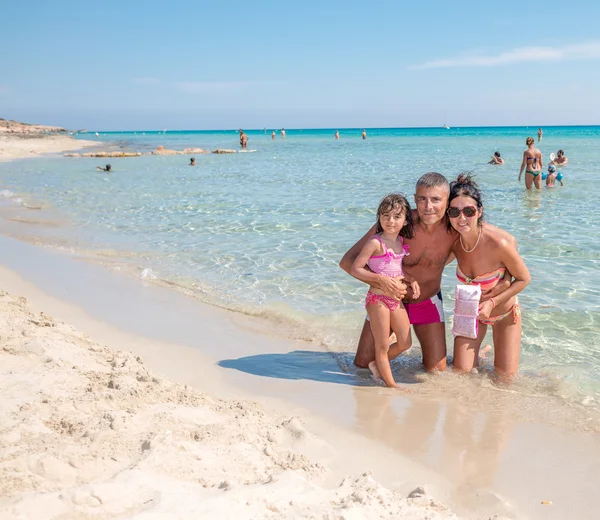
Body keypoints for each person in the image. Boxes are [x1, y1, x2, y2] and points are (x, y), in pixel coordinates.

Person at [340, 172, 514, 373]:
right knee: (361, 367)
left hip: (428, 301)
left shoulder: (456, 226)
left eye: (436, 200)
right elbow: (348, 262)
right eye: (422, 199)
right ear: (414, 199)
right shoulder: (400, 223)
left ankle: (473, 354)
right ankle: (396, 335)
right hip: (390, 302)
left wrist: (507, 279)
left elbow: (507, 242)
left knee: (437, 372)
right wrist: (382, 281)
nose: (428, 206)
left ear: (447, 202)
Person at [447, 174, 530, 381]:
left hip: (504, 314)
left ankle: (482, 352)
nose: (462, 218)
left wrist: (493, 300)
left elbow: (524, 278)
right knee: (460, 375)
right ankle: (480, 352)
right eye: (454, 212)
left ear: (479, 211)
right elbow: (429, 263)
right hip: (471, 313)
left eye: (469, 211)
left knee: (505, 380)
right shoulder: (453, 243)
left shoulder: (497, 243)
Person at [350, 194, 420, 387]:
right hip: (377, 300)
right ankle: (392, 385)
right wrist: (380, 279)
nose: (390, 221)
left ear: (405, 221)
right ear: (379, 217)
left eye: (396, 217)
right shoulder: (375, 242)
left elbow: (396, 268)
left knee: (405, 342)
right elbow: (356, 268)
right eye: (386, 215)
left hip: (395, 300)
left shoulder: (400, 242)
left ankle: (376, 365)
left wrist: (411, 279)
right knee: (381, 346)